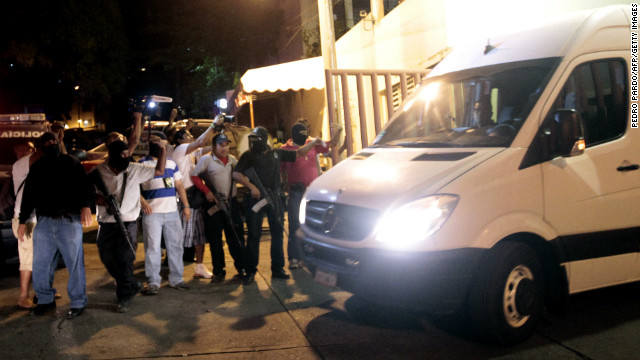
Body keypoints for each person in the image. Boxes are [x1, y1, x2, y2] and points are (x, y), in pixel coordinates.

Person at [18, 132, 94, 319]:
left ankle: (77, 302)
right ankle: (45, 300)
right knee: (41, 264)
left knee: (74, 264)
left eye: (53, 141)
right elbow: (28, 195)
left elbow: (86, 186)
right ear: (41, 146)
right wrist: (22, 220)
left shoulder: (71, 162)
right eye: (47, 142)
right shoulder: (37, 167)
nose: (51, 144)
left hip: (68, 221)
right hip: (44, 222)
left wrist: (85, 206)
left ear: (59, 142)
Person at [233, 126, 322, 285]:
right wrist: (251, 187)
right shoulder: (248, 156)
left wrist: (313, 143)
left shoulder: (276, 153)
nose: (253, 141)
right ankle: (251, 270)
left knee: (278, 234)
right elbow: (236, 173)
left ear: (264, 139)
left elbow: (299, 153)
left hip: (274, 197)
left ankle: (278, 269)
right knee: (253, 235)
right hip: (256, 199)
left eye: (257, 138)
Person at [91, 137, 166, 313]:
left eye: (127, 154)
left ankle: (124, 296)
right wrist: (100, 200)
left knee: (125, 259)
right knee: (107, 258)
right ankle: (131, 284)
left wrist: (163, 151)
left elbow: (160, 171)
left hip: (129, 222)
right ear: (113, 156)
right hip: (106, 222)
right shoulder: (98, 171)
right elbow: (87, 192)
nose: (126, 157)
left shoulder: (134, 169)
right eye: (123, 154)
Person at [281, 120, 342, 269]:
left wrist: (339, 131)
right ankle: (294, 258)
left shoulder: (313, 143)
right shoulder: (286, 149)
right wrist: (285, 187)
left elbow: (332, 144)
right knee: (295, 224)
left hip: (312, 192)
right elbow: (283, 169)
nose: (305, 139)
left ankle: (311, 257)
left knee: (314, 224)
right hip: (296, 191)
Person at [191, 133, 246, 283]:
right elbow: (194, 176)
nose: (224, 148)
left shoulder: (232, 160)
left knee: (235, 237)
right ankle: (218, 271)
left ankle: (241, 267)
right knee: (215, 240)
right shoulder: (206, 159)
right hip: (213, 205)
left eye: (226, 145)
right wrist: (207, 191)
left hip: (231, 203)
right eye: (221, 145)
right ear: (214, 146)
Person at [139, 138, 191, 295]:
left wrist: (186, 206)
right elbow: (134, 187)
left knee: (175, 246)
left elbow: (179, 185)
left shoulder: (171, 163)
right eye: (163, 145)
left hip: (172, 212)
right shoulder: (142, 164)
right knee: (153, 248)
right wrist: (143, 203)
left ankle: (176, 279)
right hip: (152, 214)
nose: (166, 147)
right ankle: (153, 281)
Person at [172, 120, 219, 279]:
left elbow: (208, 146)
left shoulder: (192, 152)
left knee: (199, 235)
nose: (190, 136)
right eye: (187, 135)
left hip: (196, 197)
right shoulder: (180, 150)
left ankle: (199, 267)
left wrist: (219, 133)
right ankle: (175, 269)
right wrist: (213, 125)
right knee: (180, 237)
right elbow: (200, 142)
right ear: (179, 140)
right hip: (186, 197)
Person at [11, 141, 37, 309]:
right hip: (25, 221)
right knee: (27, 258)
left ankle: (40, 292)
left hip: (32, 219)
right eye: (29, 148)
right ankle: (23, 296)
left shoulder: (21, 165)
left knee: (38, 258)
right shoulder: (21, 164)